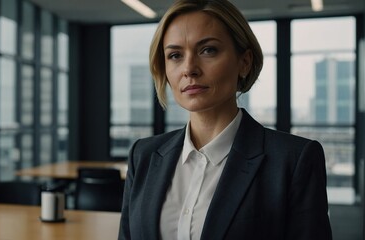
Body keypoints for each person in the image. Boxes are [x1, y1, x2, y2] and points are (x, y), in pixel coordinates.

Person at [118, 0, 332, 239]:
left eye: (208, 50)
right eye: (175, 55)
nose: (189, 69)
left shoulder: (293, 161)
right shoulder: (143, 156)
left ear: (244, 62)